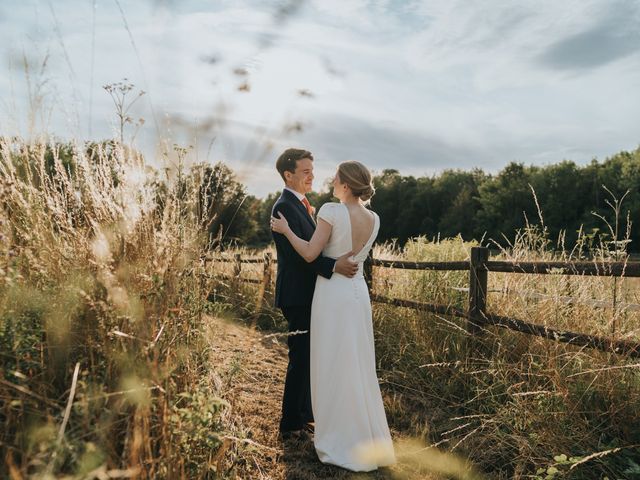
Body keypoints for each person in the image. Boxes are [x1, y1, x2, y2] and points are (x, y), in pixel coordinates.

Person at [271, 160, 396, 472]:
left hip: (332, 294)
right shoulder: (374, 217)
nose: (331, 178)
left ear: (347, 184)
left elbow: (312, 253)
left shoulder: (331, 210)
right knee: (357, 361)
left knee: (332, 361)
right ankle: (365, 434)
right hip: (357, 294)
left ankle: (339, 435)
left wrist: (286, 230)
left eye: (337, 176)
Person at [271, 148, 359, 440]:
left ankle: (305, 415)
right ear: (289, 174)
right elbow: (301, 258)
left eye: (312, 169)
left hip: (309, 294)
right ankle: (290, 423)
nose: (312, 175)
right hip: (297, 294)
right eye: (305, 171)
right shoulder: (283, 207)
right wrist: (335, 266)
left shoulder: (304, 206)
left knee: (310, 355)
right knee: (300, 356)